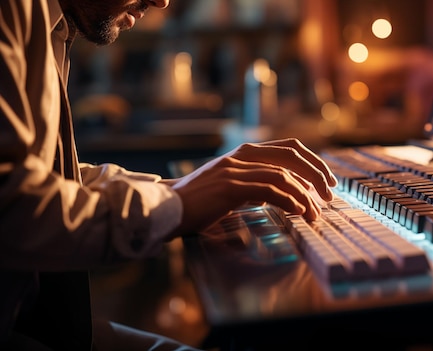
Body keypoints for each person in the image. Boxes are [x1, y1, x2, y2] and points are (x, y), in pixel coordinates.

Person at [0, 0, 338, 350]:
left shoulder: (51, 23)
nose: (162, 2)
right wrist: (174, 206)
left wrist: (187, 188)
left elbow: (49, 179)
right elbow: (12, 207)